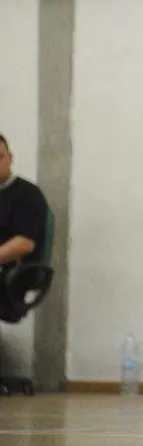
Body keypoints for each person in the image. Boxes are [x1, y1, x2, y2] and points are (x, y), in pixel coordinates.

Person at [0, 133, 49, 321]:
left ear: (10, 158)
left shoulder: (27, 194)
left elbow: (23, 244)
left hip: (14, 275)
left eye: (0, 157)